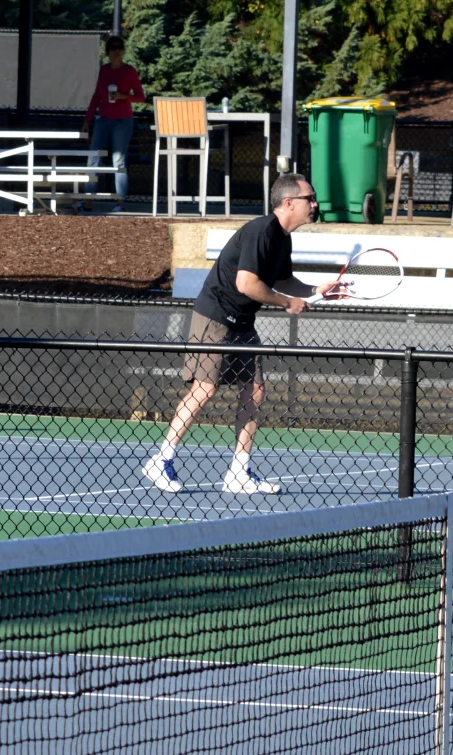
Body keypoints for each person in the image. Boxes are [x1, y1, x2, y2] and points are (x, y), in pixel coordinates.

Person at [143, 174, 319, 494]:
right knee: (205, 389)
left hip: (243, 322)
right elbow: (246, 284)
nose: (315, 203)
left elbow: (284, 280)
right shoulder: (261, 231)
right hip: (215, 316)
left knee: (255, 390)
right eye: (310, 198)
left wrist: (316, 290)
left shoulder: (282, 238)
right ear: (288, 203)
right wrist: (286, 303)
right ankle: (161, 459)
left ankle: (238, 472)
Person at [81, 35, 145, 208]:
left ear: (123, 51)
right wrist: (87, 119)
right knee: (94, 157)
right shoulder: (104, 70)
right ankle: (87, 199)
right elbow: (97, 96)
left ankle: (120, 200)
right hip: (103, 119)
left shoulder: (129, 71)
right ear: (108, 51)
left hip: (122, 120)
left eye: (119, 47)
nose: (116, 51)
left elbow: (141, 97)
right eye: (113, 48)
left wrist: (124, 96)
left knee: (119, 159)